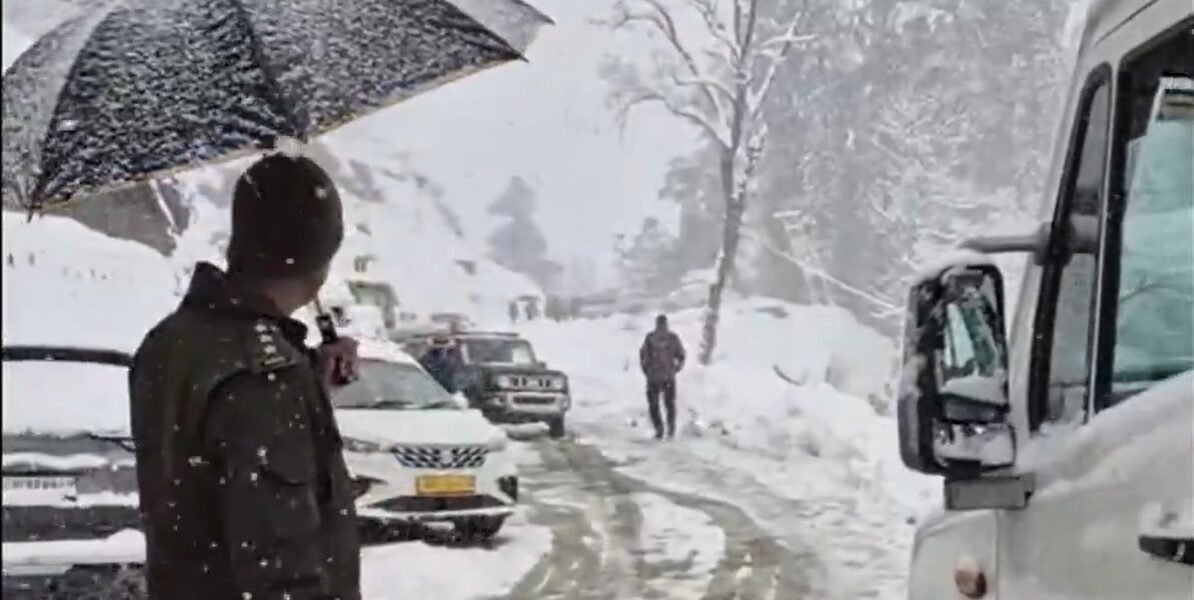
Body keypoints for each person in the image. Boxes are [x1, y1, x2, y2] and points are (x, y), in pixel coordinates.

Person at [128, 154, 361, 600]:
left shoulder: (170, 341)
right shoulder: (264, 379)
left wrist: (308, 380)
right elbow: (281, 566)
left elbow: (205, 471)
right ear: (320, 257)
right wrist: (291, 385)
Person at [639, 314, 686, 439]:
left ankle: (659, 429)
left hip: (653, 377)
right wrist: (676, 368)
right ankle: (670, 429)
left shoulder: (650, 338)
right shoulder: (673, 338)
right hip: (668, 377)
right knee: (669, 405)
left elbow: (643, 356)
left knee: (654, 405)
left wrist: (647, 370)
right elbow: (681, 355)